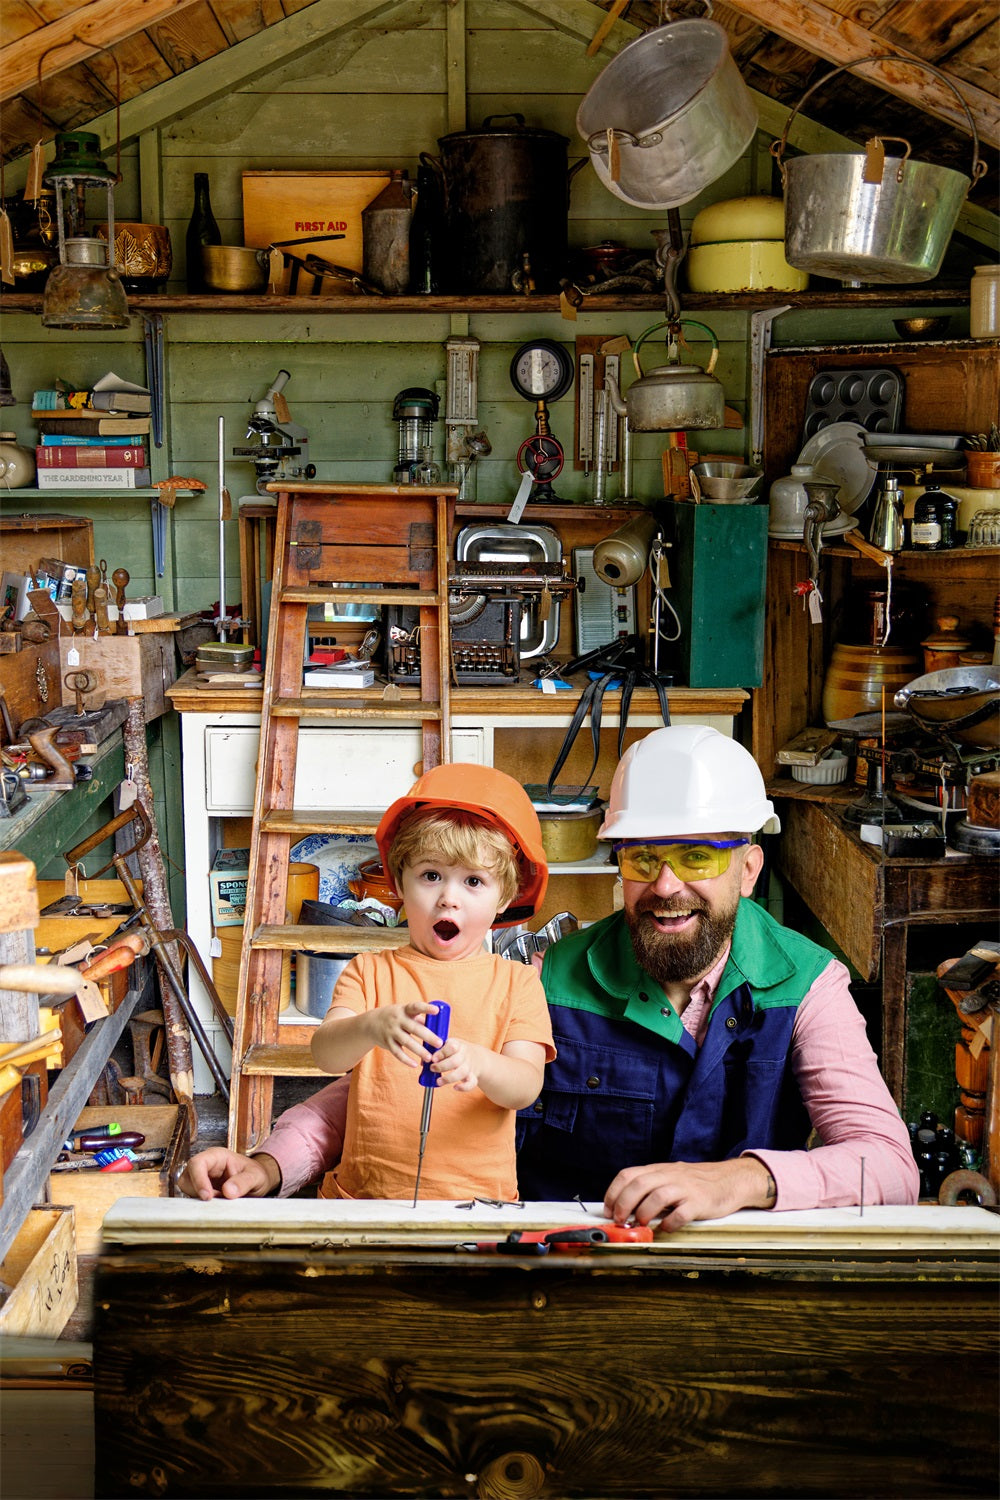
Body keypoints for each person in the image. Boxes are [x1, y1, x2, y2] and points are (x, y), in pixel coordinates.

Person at [180, 727, 918, 1225]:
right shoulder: (549, 974)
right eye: (640, 859)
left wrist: (739, 1181)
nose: (665, 886)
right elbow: (370, 1092)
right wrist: (270, 1165)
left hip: (731, 1281)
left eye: (697, 857)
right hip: (555, 1273)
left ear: (749, 869)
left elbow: (889, 1166)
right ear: (616, 871)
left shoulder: (807, 986)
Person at [204, 764, 554, 1203]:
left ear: (504, 896)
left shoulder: (517, 983)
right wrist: (369, 1027)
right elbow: (327, 1055)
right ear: (399, 884)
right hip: (360, 1200)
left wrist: (479, 1064)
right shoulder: (369, 971)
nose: (449, 897)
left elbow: (525, 1086)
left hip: (476, 1205)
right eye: (430, 876)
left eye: (474, 881)